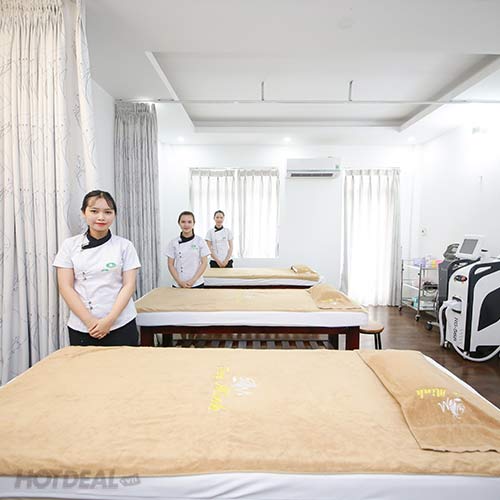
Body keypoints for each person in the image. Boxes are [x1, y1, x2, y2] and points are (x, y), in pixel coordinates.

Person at [53, 190, 141, 346]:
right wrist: (90, 322)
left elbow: (129, 285)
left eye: (108, 212)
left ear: (114, 215)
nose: (101, 217)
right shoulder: (69, 245)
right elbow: (65, 287)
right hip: (83, 326)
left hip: (121, 323)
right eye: (94, 211)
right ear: (84, 213)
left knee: (126, 362)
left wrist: (110, 320)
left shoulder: (125, 246)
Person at [167, 211, 210, 288]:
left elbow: (204, 263)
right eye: (183, 222)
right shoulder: (173, 242)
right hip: (178, 284)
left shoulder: (200, 241)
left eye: (189, 222)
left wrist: (193, 280)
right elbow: (170, 264)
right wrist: (179, 282)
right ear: (179, 223)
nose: (186, 225)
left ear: (194, 223)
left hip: (197, 283)